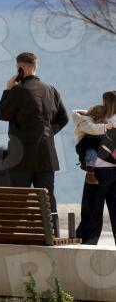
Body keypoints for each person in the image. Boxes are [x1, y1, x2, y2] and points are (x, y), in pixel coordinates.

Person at [0, 52, 68, 232]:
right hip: (46, 156)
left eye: (17, 68)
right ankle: (53, 235)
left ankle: (12, 236)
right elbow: (64, 119)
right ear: (35, 67)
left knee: (17, 201)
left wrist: (8, 90)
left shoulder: (18, 90)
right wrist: (47, 133)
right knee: (48, 201)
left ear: (21, 68)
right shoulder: (51, 90)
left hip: (21, 157)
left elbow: (3, 114)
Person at [74, 91, 116, 244]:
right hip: (113, 171)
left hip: (96, 173)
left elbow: (76, 115)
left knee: (92, 212)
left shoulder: (94, 120)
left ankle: (87, 245)